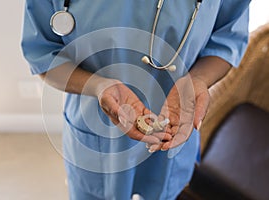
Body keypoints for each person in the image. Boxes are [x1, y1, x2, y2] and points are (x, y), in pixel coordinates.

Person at [21, 0, 251, 199]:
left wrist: (197, 80)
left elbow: (227, 39)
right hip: (94, 128)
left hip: (175, 125)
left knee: (166, 190)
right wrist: (97, 86)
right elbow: (42, 54)